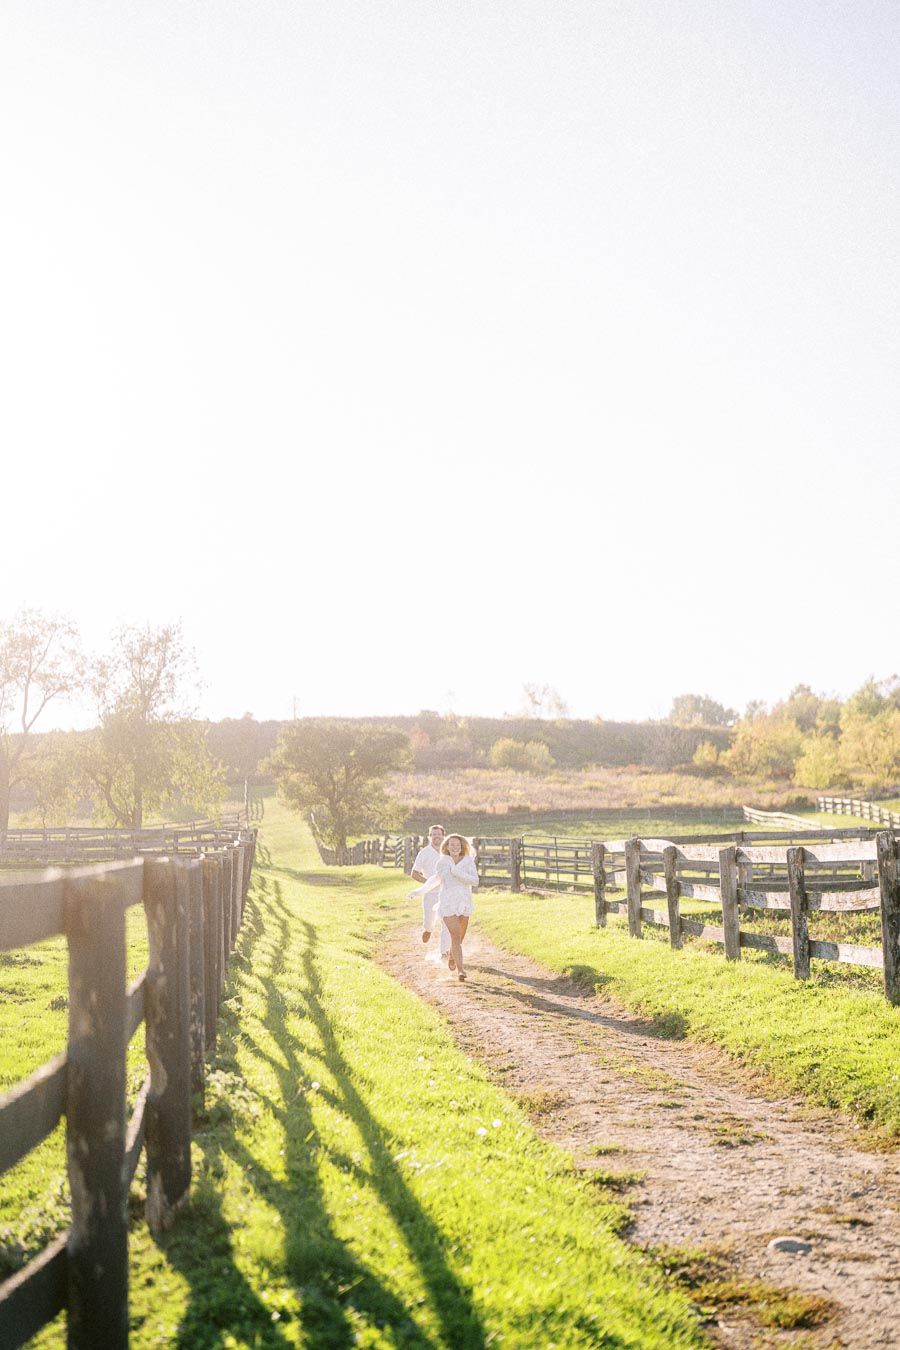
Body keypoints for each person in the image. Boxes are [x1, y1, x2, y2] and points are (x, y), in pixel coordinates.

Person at [409, 834, 478, 982]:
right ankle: (461, 971)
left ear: (462, 846)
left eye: (457, 845)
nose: (455, 847)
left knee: (460, 938)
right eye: (452, 845)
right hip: (447, 902)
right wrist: (418, 892)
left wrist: (456, 872)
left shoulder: (468, 861)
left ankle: (453, 956)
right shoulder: (442, 862)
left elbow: (475, 881)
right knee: (455, 936)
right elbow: (434, 880)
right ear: (446, 847)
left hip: (464, 902)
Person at [411, 824, 453, 963]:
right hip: (430, 894)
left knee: (446, 922)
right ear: (429, 837)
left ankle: (444, 952)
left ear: (443, 836)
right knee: (430, 920)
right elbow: (414, 874)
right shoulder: (424, 852)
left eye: (439, 834)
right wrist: (428, 883)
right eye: (433, 834)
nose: (436, 837)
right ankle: (428, 930)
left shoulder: (449, 851)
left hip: (447, 893)